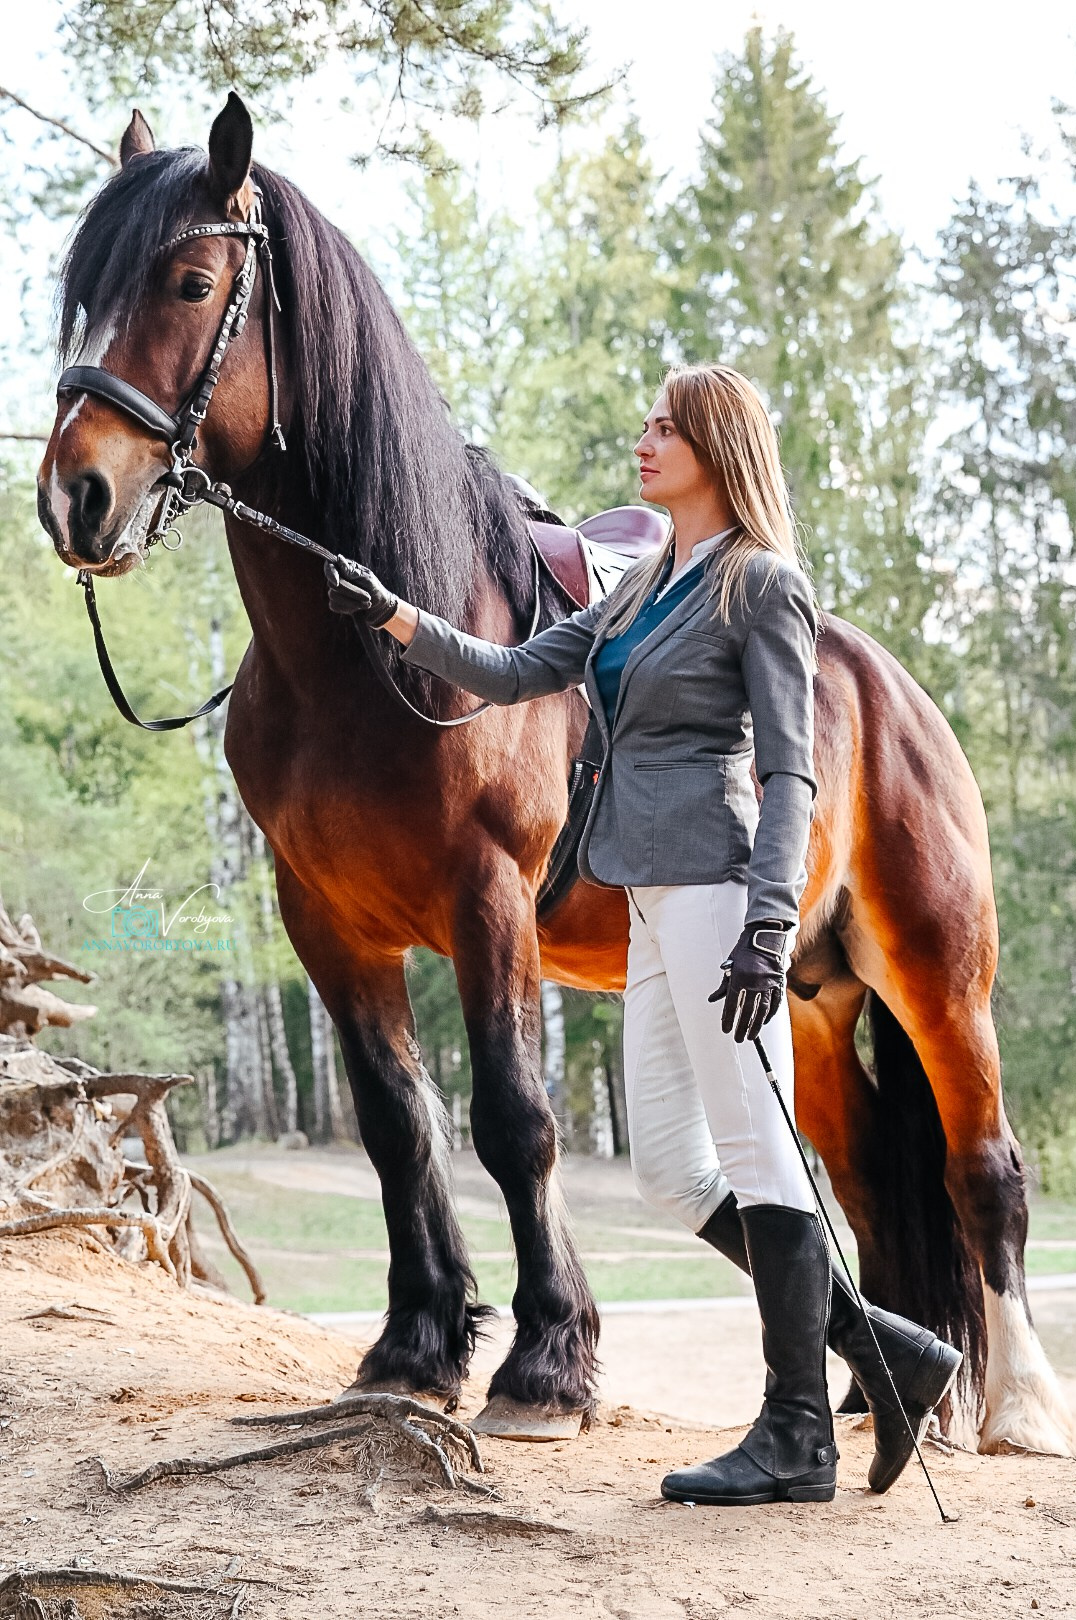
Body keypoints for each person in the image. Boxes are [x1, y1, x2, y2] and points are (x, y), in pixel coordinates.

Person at [324, 362, 962, 1507]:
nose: (645, 437)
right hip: (646, 903)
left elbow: (788, 769)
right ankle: (889, 1352)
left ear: (718, 450)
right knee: (673, 1167)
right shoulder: (643, 585)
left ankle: (797, 1435)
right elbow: (519, 672)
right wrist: (398, 617)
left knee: (763, 1154)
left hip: (726, 896)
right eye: (650, 421)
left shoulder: (762, 587)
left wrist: (772, 923)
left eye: (668, 426)